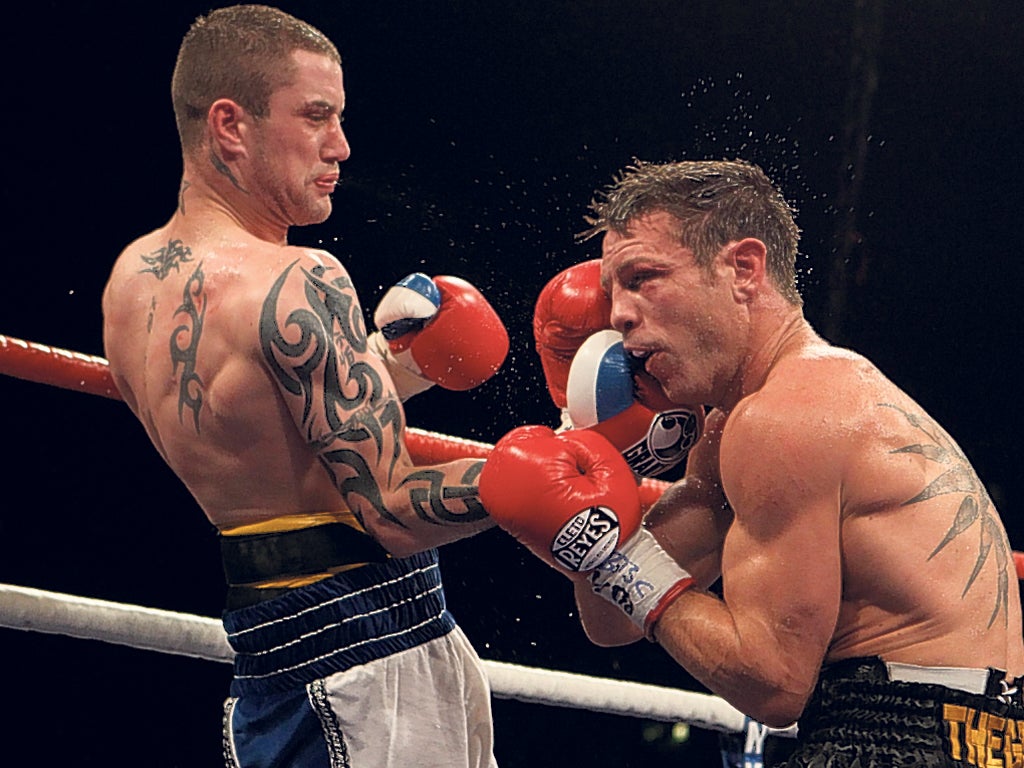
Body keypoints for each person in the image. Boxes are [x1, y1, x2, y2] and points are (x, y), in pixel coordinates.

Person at [479, 158, 1024, 766]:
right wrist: (590, 440)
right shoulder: (750, 421)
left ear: (743, 269)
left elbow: (773, 685)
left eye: (642, 278)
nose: (617, 316)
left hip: (898, 736)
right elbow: (611, 621)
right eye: (614, 292)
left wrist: (616, 553)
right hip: (965, 737)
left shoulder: (785, 418)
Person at [101, 5, 506, 766]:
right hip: (371, 648)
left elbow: (255, 428)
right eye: (316, 116)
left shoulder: (128, 288)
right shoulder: (302, 277)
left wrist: (401, 368)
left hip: (270, 655)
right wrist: (541, 470)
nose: (342, 147)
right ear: (230, 125)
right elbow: (387, 509)